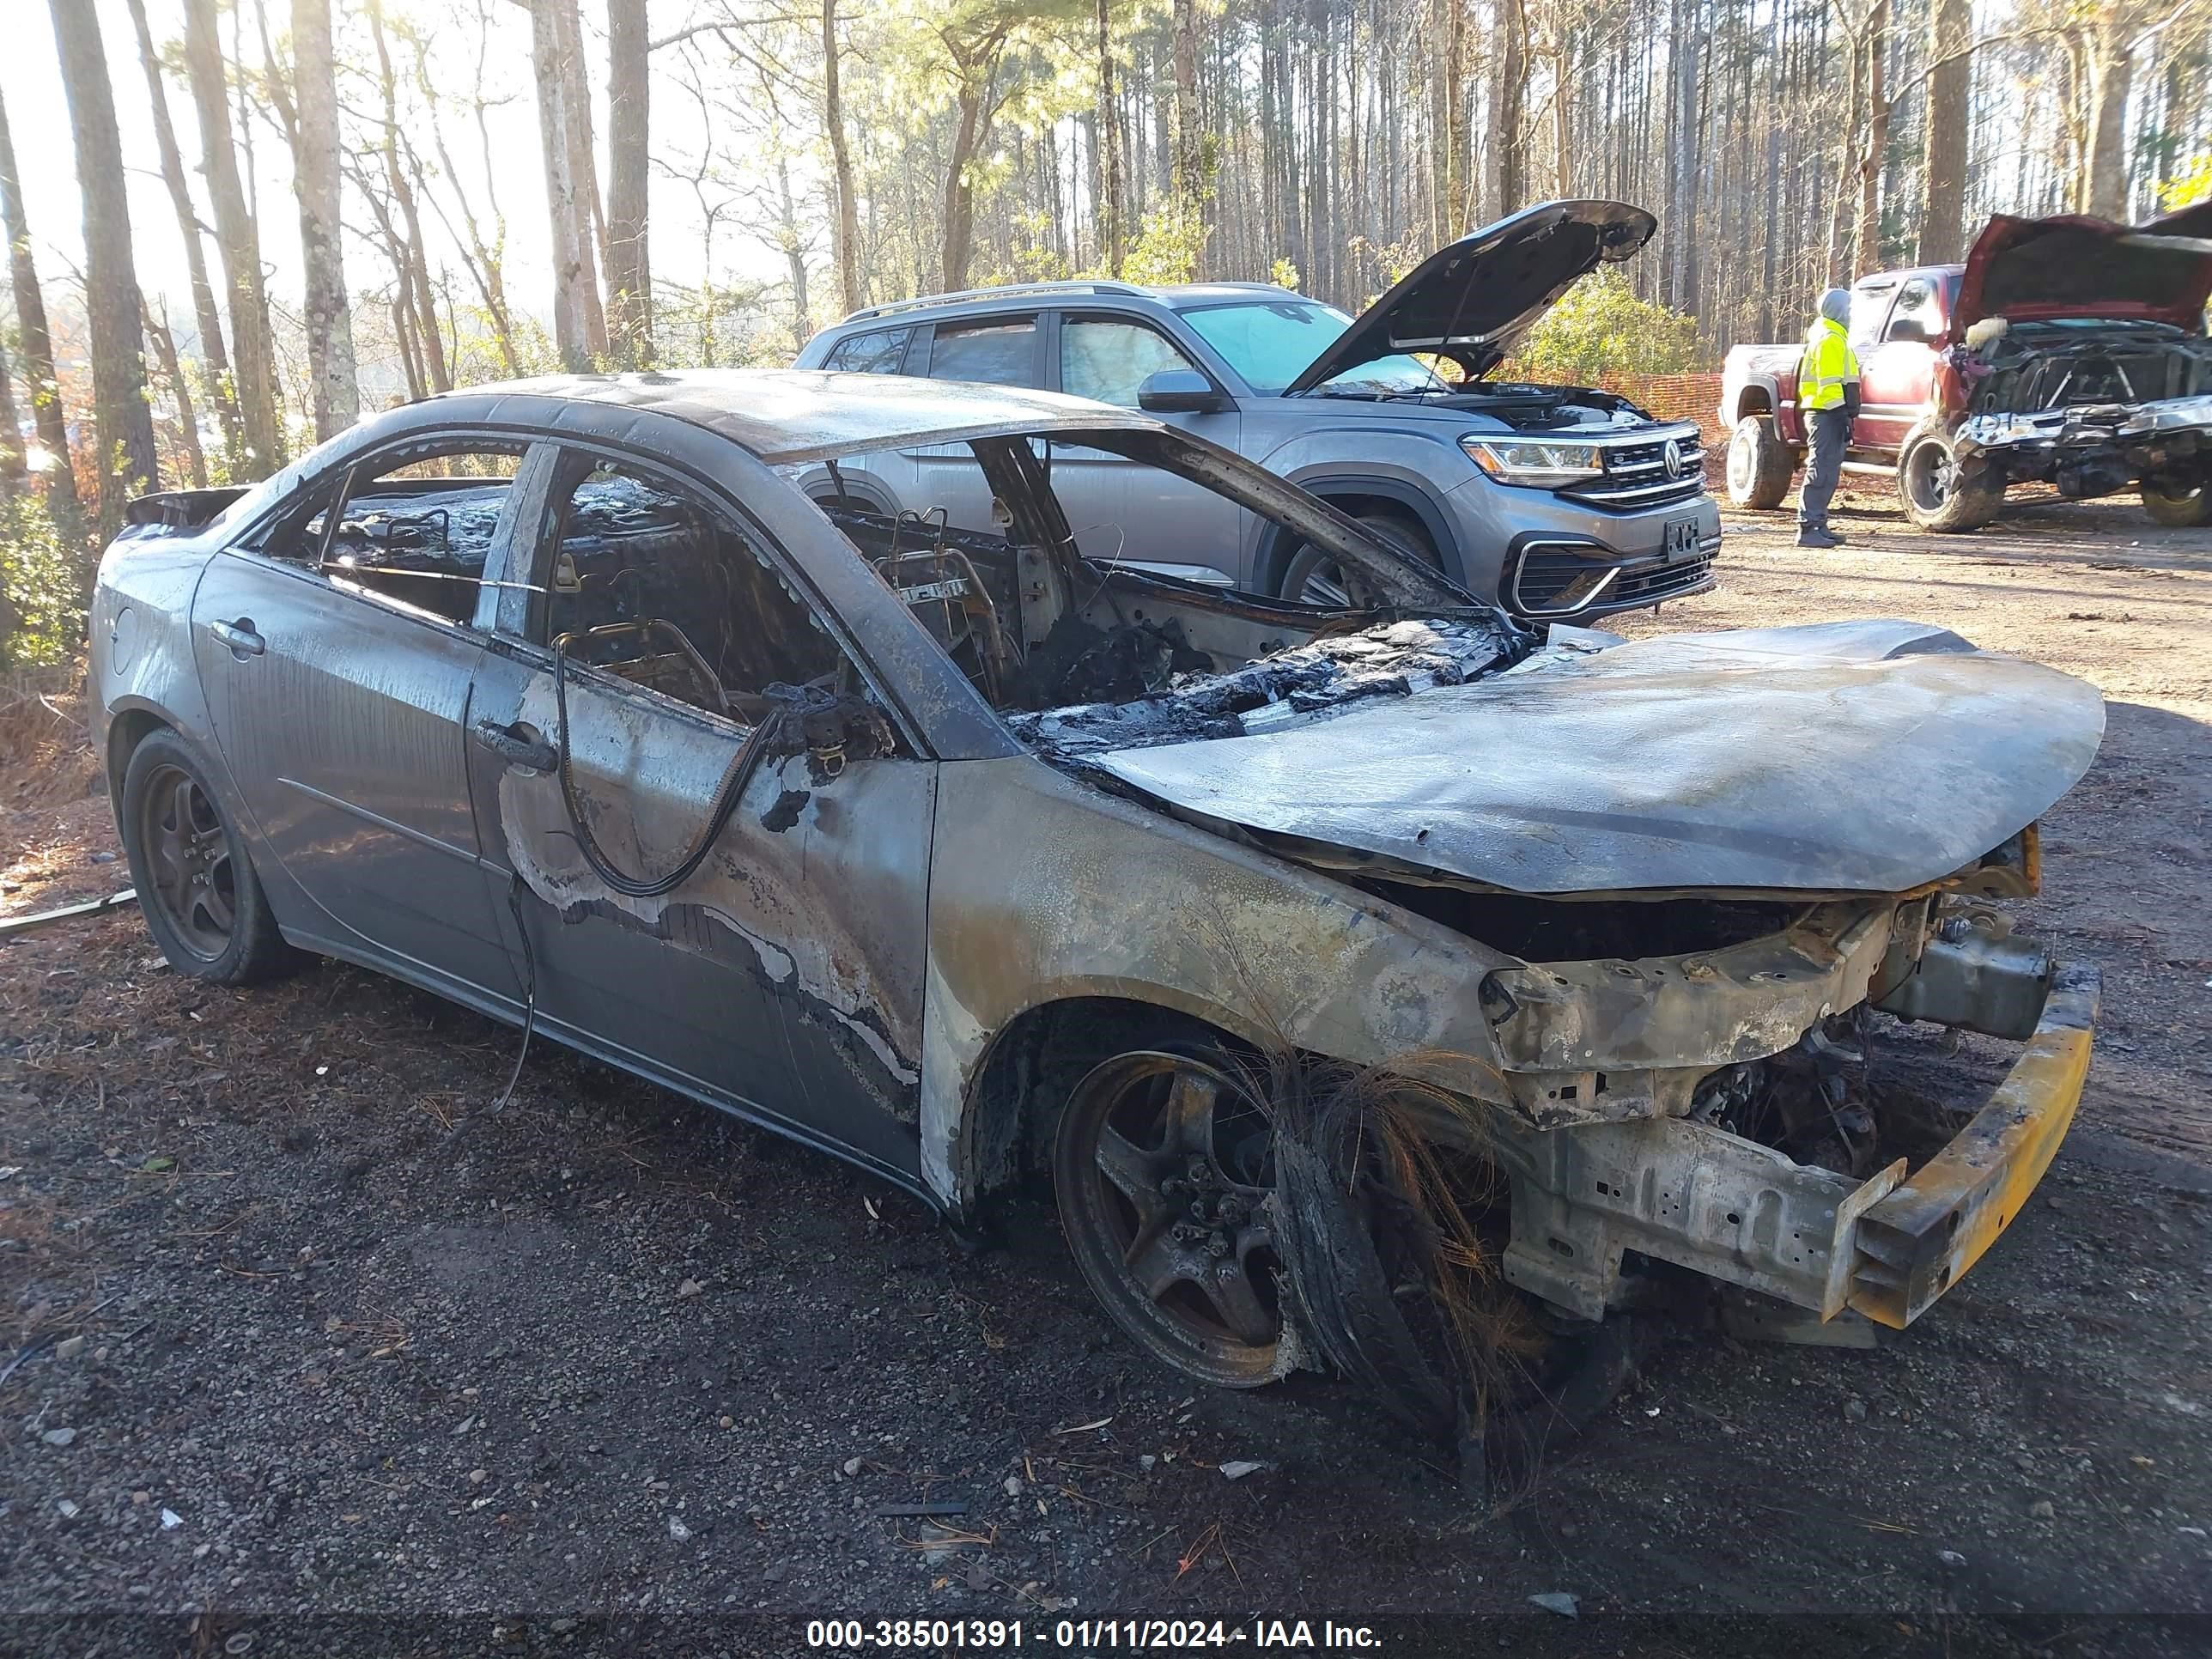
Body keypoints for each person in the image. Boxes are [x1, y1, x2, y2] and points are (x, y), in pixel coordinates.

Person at [1796, 287, 1861, 549]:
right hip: (1825, 414)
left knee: (1827, 471)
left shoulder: (1835, 338)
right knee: (1821, 471)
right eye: (1849, 309)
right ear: (1840, 311)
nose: (1851, 315)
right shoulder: (1831, 339)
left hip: (1828, 414)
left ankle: (1818, 524)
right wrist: (1840, 414)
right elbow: (1830, 384)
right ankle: (1808, 527)